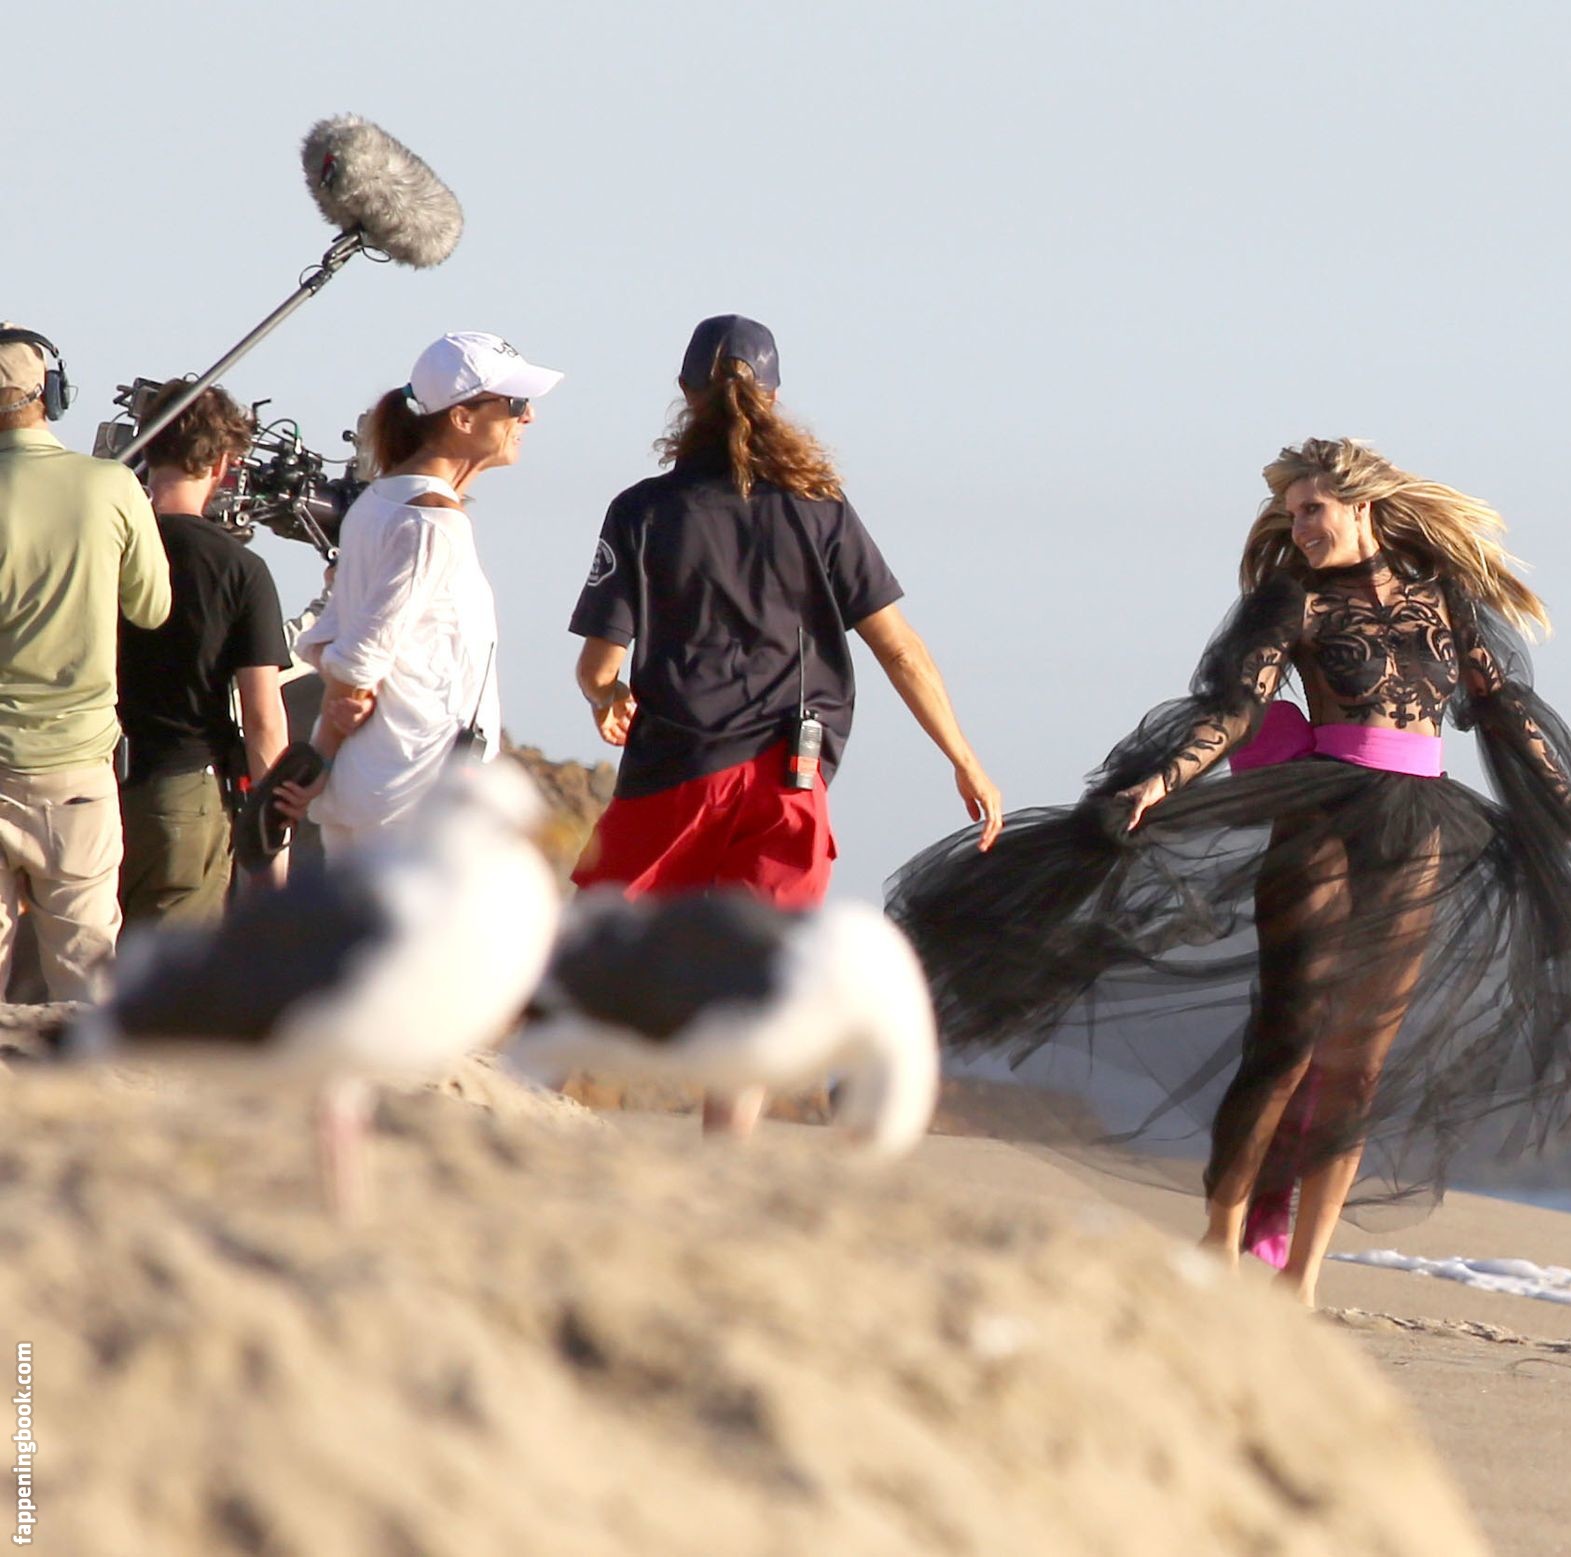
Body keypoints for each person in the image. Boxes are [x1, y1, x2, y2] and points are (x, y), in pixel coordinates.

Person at [887, 437, 1571, 1306]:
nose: (1298, 526)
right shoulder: (1292, 597)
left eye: (1313, 509)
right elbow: (1234, 708)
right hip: (1320, 817)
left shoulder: (1444, 596)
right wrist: (1158, 781)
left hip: (1421, 826)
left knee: (1358, 1066)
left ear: (1362, 507)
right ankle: (1222, 1239)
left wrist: (1558, 806)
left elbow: (1500, 705)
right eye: (1290, 512)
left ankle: (1303, 1278)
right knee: (1287, 1039)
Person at [570, 314, 1002, 1136]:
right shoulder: (820, 509)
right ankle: (724, 1162)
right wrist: (964, 758)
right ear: (772, 397)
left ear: (686, 393)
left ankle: (515, 1110)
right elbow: (900, 649)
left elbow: (597, 662)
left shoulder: (642, 510)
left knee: (584, 953)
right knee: (755, 987)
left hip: (675, 771)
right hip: (786, 780)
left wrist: (606, 696)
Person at [276, 332, 561, 853]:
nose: (529, 417)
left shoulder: (376, 503)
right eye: (516, 403)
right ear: (462, 417)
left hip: (377, 788)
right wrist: (322, 758)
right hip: (415, 798)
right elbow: (360, 658)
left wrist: (324, 761)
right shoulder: (434, 524)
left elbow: (329, 639)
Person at [0, 323, 170, 999]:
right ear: (52, 393)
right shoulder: (111, 485)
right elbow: (152, 607)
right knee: (86, 983)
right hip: (75, 771)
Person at [117, 380, 291, 921]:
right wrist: (272, 843)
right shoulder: (240, 570)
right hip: (184, 794)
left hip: (88, 785)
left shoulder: (105, 546)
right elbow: (263, 719)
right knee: (169, 967)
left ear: (147, 450)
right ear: (222, 465)